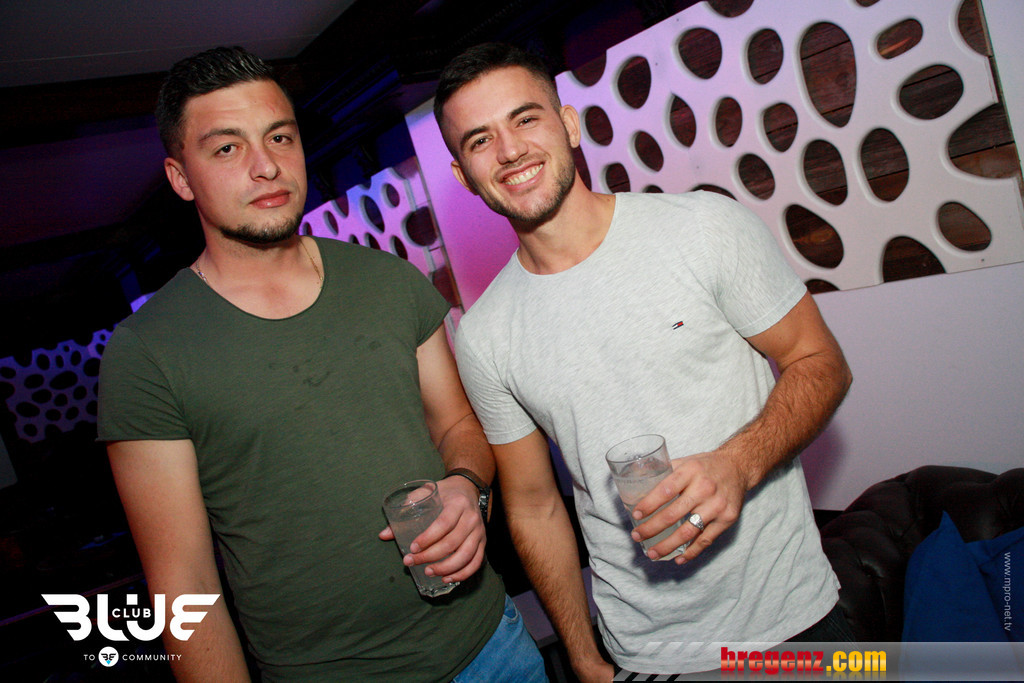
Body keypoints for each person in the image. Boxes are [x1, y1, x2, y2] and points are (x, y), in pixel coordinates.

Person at [98, 46, 546, 682]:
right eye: (226, 148)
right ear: (181, 177)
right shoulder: (148, 352)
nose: (265, 166)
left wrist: (465, 485)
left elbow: (457, 426)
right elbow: (184, 585)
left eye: (280, 137)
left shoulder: (388, 280)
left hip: (494, 648)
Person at [434, 42, 854, 680]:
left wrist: (737, 464)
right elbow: (534, 503)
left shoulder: (704, 227)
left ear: (568, 125)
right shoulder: (485, 334)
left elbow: (820, 361)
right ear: (463, 174)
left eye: (525, 119)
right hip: (647, 652)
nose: (510, 150)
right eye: (480, 140)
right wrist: (581, 654)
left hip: (793, 624)